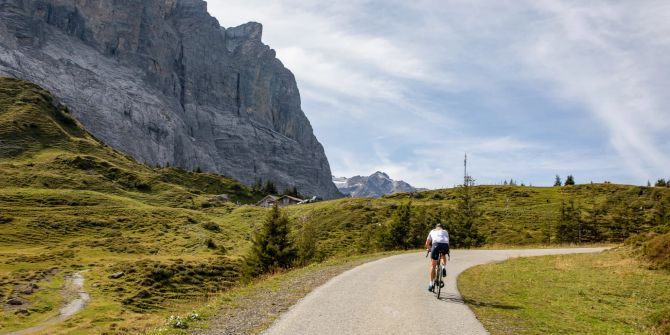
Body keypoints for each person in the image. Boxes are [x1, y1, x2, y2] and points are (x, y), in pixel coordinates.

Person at [425, 223, 449, 291]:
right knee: (443, 255)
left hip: (435, 245)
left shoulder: (432, 231)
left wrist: (429, 249)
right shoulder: (445, 231)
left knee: (433, 266)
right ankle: (443, 267)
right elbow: (447, 242)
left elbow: (427, 244)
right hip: (445, 245)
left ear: (436, 227)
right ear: (442, 228)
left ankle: (430, 284)